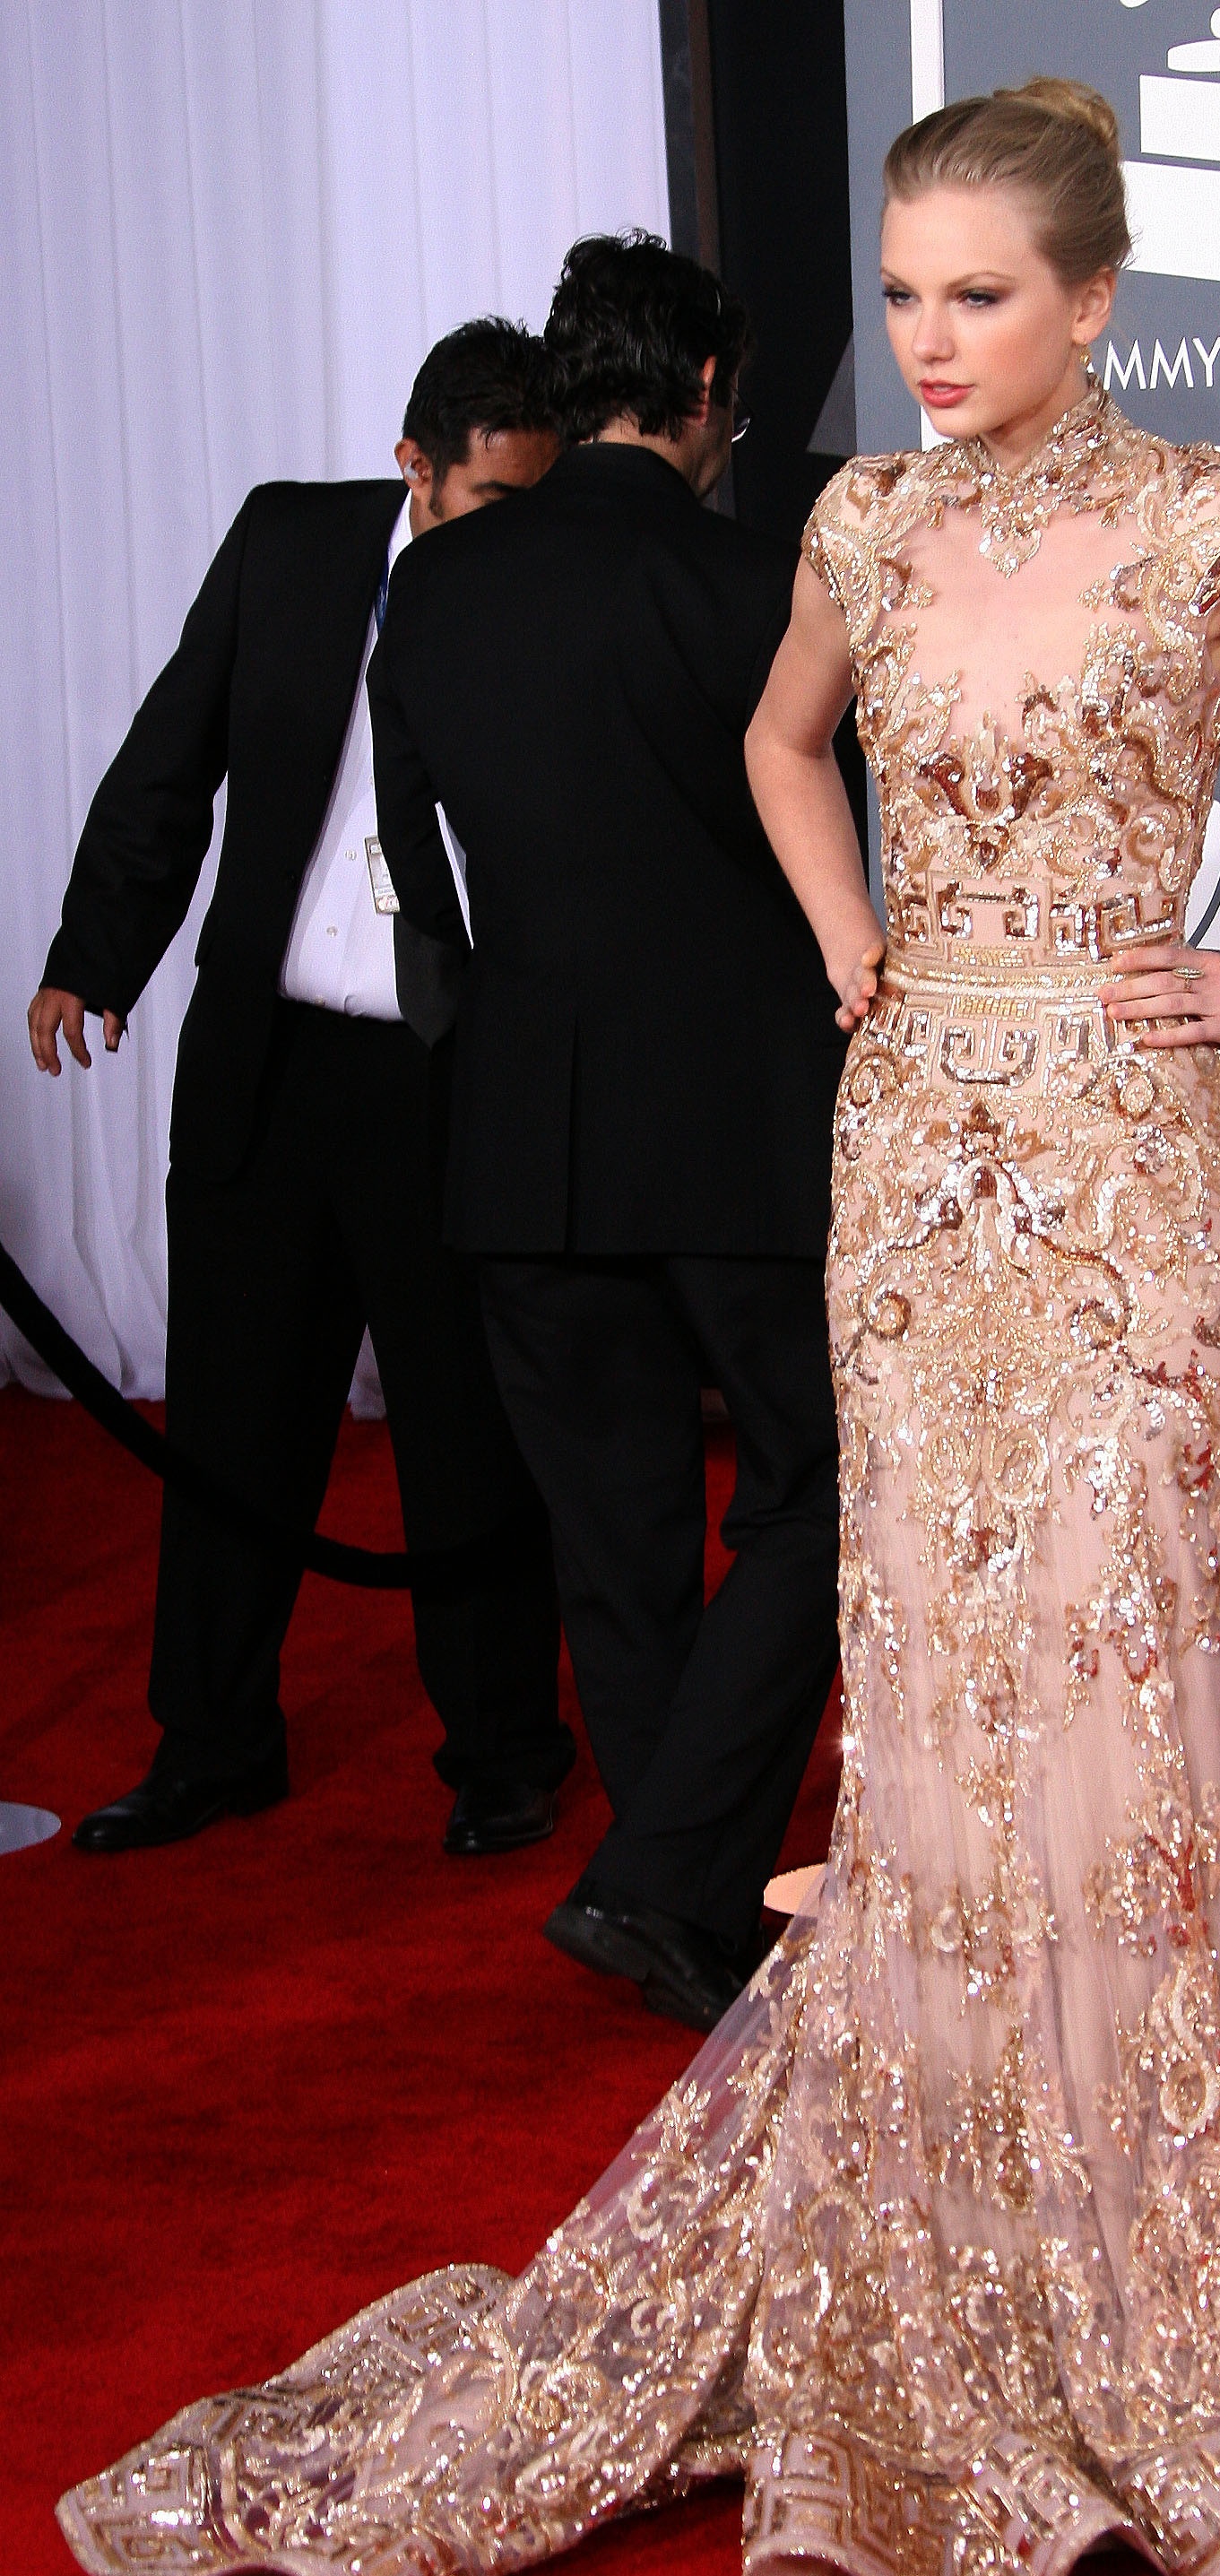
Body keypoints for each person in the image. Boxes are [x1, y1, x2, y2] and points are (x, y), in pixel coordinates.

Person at [57, 82, 1220, 2576]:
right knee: (941, 1714)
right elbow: (784, 746)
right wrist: (855, 947)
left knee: (1118, 1717)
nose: (932, 341)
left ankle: (1151, 2299)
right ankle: (931, 2277)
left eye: (981, 296)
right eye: (900, 297)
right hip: (909, 1172)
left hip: (1121, 1185)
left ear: (1093, 299)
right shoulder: (859, 521)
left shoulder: (1213, 521)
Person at [363, 234, 846, 2031]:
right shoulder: (757, 584)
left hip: (517, 1123)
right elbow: (829, 843)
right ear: (709, 392)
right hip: (739, 1117)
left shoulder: (434, 586)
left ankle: (673, 1898)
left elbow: (420, 865)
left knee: (615, 1537)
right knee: (825, 1491)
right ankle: (667, 1882)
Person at [29, 321, 575, 1861]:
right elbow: (170, 754)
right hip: (265, 1058)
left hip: (442, 1065)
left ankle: (504, 1753)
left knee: (465, 1426)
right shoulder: (287, 544)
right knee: (230, 1413)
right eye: (488, 502)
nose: (513, 536)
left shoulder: (547, 597)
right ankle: (212, 1743)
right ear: (415, 467)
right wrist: (94, 957)